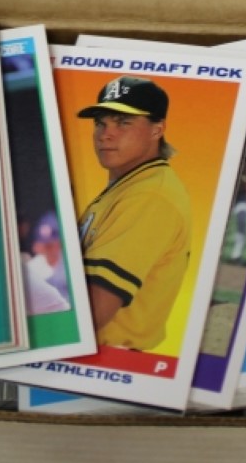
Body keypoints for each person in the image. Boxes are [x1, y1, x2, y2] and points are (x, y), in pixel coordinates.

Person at [74, 76, 190, 351]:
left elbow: (93, 311)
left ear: (157, 129)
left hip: (108, 360)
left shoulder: (149, 196)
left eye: (123, 122)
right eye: (100, 123)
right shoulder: (132, 186)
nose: (105, 134)